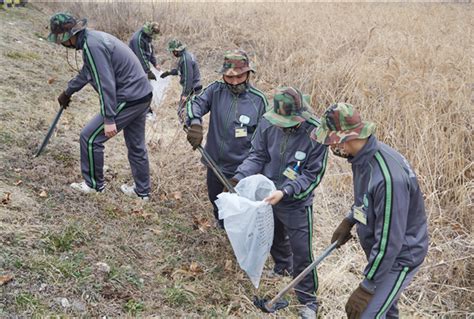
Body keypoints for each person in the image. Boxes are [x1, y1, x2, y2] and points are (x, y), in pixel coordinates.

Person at [312, 103, 429, 319]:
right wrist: (349, 220)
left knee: (367, 314)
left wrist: (367, 286)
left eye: (331, 141)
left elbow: (390, 242)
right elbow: (365, 199)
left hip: (400, 256)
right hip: (382, 249)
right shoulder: (361, 158)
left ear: (344, 137)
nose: (331, 147)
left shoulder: (388, 178)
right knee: (385, 308)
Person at [232, 87, 328, 319]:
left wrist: (286, 191)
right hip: (268, 191)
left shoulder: (316, 133)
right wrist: (240, 175)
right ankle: (282, 266)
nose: (282, 126)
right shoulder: (267, 123)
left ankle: (308, 300)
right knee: (272, 233)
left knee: (302, 250)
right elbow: (258, 155)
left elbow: (312, 175)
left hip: (296, 200)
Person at [48, 12, 152, 200]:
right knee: (136, 146)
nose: (60, 43)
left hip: (128, 97)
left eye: (60, 39)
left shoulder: (92, 46)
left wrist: (109, 117)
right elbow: (88, 71)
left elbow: (106, 83)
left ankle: (94, 185)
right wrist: (68, 91)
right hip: (142, 94)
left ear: (69, 36)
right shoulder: (92, 39)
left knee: (89, 138)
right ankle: (142, 192)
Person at [185, 49, 268, 228]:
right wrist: (195, 123)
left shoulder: (259, 101)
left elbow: (265, 139)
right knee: (216, 199)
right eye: (229, 77)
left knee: (240, 207)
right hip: (214, 161)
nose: (235, 81)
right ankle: (221, 224)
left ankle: (239, 231)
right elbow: (195, 103)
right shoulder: (216, 90)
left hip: (242, 167)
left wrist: (249, 171)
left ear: (248, 73)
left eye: (239, 76)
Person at [160, 39, 202, 123]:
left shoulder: (186, 60)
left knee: (182, 110)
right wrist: (169, 72)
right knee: (192, 110)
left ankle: (186, 127)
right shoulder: (187, 56)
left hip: (192, 89)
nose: (173, 53)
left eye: (173, 51)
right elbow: (181, 71)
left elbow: (188, 78)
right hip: (194, 87)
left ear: (176, 51)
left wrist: (185, 94)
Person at [128, 21, 161, 121]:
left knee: (147, 89)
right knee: (142, 89)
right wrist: (148, 71)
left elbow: (150, 51)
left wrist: (155, 63)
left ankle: (146, 109)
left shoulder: (148, 37)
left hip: (143, 66)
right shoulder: (137, 39)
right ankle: (144, 111)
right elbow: (141, 57)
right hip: (135, 66)